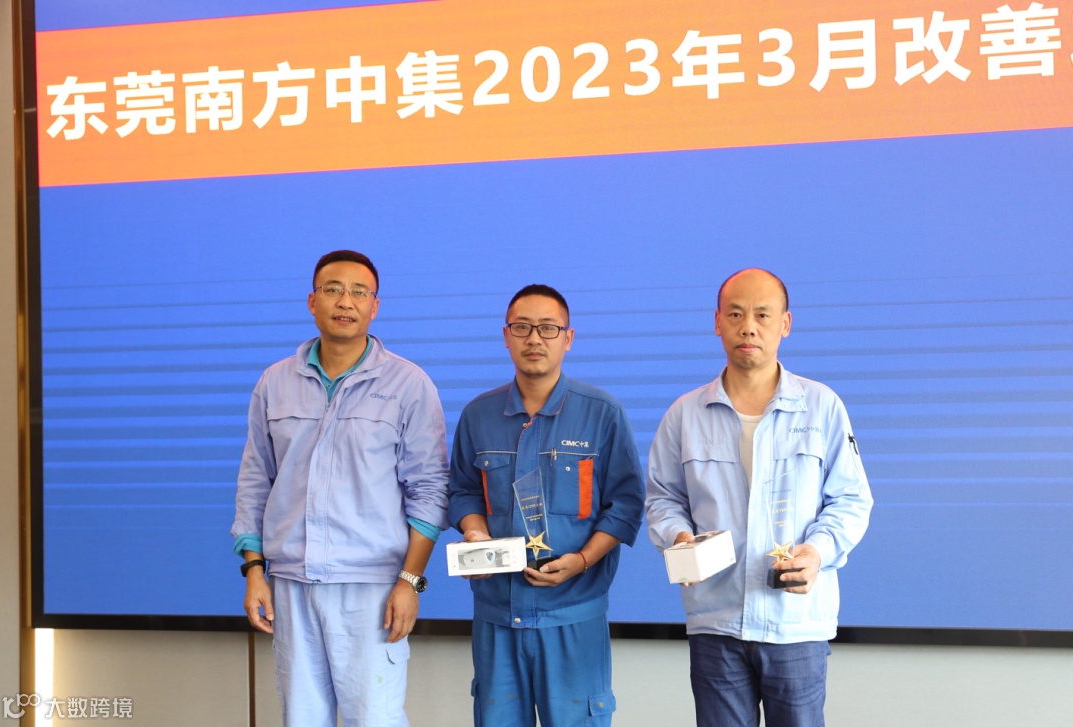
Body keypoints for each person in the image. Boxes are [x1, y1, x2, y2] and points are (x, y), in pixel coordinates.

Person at [645, 268, 873, 727]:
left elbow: (851, 499)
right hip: (715, 620)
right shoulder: (685, 414)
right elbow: (662, 498)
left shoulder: (822, 406)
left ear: (785, 324)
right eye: (735, 314)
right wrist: (679, 538)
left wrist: (817, 552)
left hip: (795, 624)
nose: (748, 327)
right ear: (717, 322)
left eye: (762, 315)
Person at [231, 250, 449, 726]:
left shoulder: (409, 384)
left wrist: (410, 581)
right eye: (332, 290)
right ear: (312, 301)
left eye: (358, 292)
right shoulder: (275, 382)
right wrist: (254, 570)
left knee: (374, 719)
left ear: (375, 306)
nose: (345, 301)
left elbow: (430, 491)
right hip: (291, 583)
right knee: (301, 719)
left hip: (372, 588)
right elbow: (255, 479)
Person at [448, 284, 645, 727]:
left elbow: (626, 504)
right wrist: (475, 533)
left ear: (568, 338)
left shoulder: (602, 414)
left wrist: (583, 560)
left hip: (574, 618)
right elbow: (462, 490)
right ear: (506, 335)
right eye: (522, 327)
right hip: (497, 617)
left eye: (548, 328)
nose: (534, 338)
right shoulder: (478, 415)